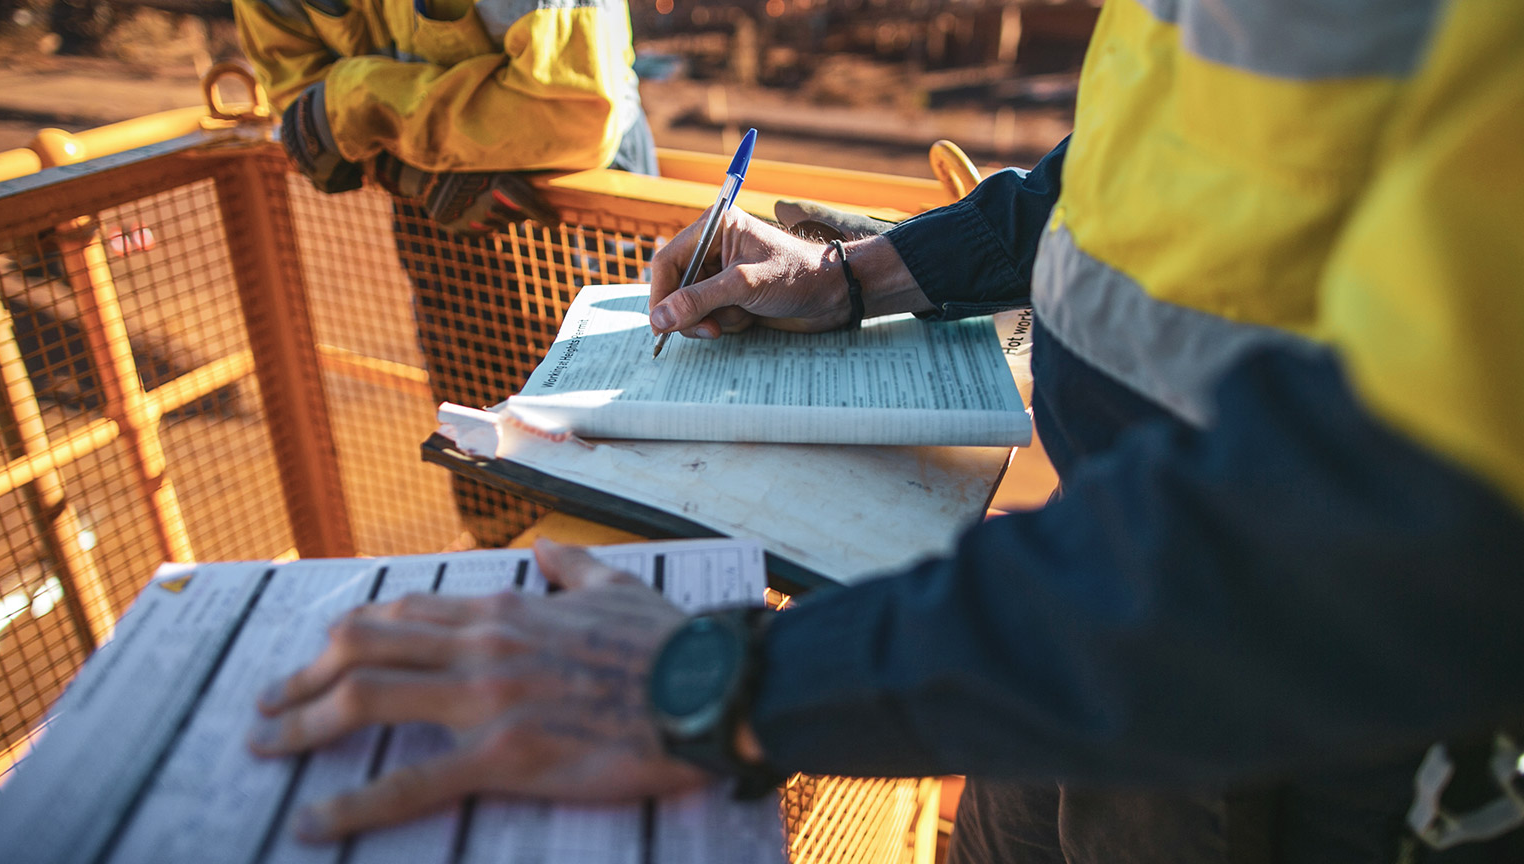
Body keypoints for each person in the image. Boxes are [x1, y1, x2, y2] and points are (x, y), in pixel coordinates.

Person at [246, 1, 1524, 861]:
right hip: (1067, 634)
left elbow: (1368, 542)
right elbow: (1119, 178)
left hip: (1303, 742)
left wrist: (722, 683)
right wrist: (855, 275)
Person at [234, 0, 658, 545]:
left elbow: (573, 114)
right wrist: (415, 167)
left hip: (581, 209)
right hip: (436, 215)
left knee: (619, 462)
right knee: (482, 447)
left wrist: (355, 102)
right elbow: (299, 108)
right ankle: (504, 562)